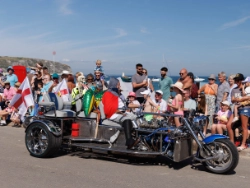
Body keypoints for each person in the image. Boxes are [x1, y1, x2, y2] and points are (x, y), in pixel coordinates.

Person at [102, 77, 139, 148]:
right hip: (113, 115)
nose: (120, 86)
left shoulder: (116, 94)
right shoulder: (108, 94)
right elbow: (109, 109)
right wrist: (122, 113)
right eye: (118, 85)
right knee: (127, 119)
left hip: (120, 112)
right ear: (115, 85)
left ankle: (139, 138)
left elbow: (123, 105)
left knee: (136, 117)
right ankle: (129, 141)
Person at [227, 73, 250, 151]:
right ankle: (232, 142)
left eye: (238, 80)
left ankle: (243, 144)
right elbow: (233, 100)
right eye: (235, 80)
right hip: (236, 109)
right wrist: (241, 99)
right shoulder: (234, 89)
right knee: (228, 125)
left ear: (241, 80)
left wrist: (240, 99)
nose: (236, 81)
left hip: (245, 108)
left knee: (244, 127)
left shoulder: (247, 88)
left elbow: (248, 98)